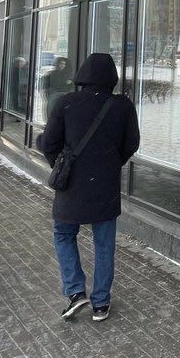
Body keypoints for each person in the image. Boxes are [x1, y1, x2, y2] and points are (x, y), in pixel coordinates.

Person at [36, 53, 140, 322]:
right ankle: (101, 303)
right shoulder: (123, 106)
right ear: (112, 77)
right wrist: (112, 162)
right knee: (104, 244)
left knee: (63, 234)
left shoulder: (66, 103)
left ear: (82, 75)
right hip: (105, 185)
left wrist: (61, 164)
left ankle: (75, 291)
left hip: (71, 183)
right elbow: (132, 142)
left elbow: (49, 143)